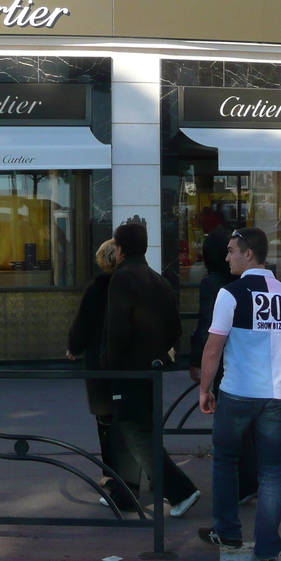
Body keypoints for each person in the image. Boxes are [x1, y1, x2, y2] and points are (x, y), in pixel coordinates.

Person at [197, 226, 281, 561]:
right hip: (275, 394)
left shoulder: (231, 294)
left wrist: (205, 388)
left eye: (231, 251)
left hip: (238, 392)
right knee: (271, 472)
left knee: (225, 461)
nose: (226, 257)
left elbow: (213, 349)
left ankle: (227, 531)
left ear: (249, 254)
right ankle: (268, 548)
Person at [105, 220, 201, 518]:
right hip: (153, 369)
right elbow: (174, 328)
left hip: (128, 369)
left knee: (136, 432)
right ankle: (124, 491)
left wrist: (109, 363)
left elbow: (117, 329)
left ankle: (181, 490)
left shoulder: (122, 279)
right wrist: (156, 352)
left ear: (119, 250)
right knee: (131, 426)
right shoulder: (159, 280)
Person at [67, 239, 139, 507]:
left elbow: (82, 324)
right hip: (132, 363)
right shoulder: (136, 284)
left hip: (100, 363)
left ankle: (112, 476)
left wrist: (74, 347)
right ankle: (147, 474)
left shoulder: (98, 288)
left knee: (106, 420)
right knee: (136, 420)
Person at [189, 231, 258, 506]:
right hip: (250, 359)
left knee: (230, 428)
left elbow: (206, 326)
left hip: (224, 361)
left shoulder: (213, 283)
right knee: (251, 426)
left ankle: (237, 492)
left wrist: (198, 363)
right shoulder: (245, 281)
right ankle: (251, 481)